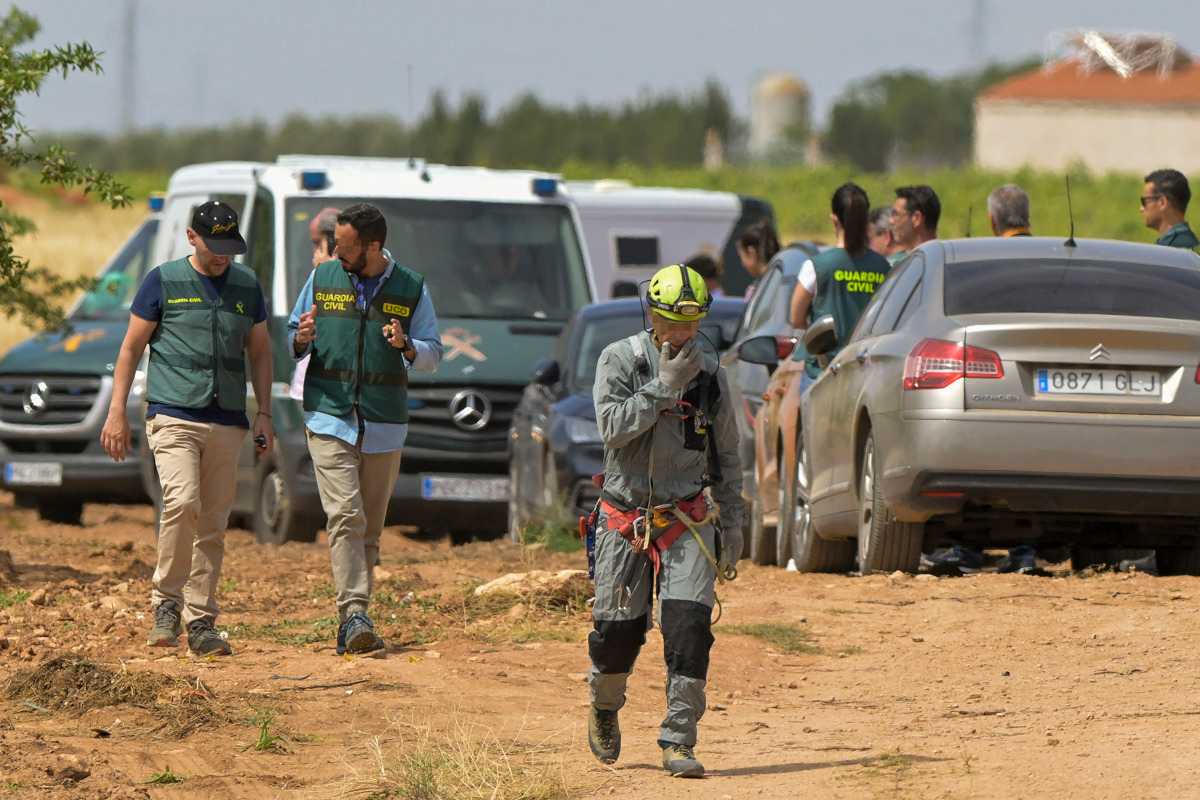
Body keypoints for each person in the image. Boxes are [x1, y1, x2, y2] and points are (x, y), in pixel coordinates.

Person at [587, 264, 743, 778]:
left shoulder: (712, 377)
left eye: (693, 323)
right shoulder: (619, 360)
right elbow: (612, 430)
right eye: (674, 323)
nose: (684, 334)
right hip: (625, 519)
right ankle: (606, 706)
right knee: (617, 633)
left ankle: (678, 739)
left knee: (689, 629)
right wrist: (664, 385)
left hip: (688, 519)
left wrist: (735, 524)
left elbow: (728, 456)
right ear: (652, 316)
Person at [100, 201, 274, 657]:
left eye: (229, 248)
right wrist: (117, 410)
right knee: (182, 502)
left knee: (214, 522)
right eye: (214, 247)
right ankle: (166, 604)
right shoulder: (163, 280)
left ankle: (201, 620)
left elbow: (260, 352)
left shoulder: (246, 286)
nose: (223, 257)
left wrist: (265, 413)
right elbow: (130, 349)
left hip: (227, 420)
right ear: (192, 238)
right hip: (174, 413)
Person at [289, 203, 443, 655]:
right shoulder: (322, 279)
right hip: (328, 415)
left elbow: (434, 354)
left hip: (382, 421)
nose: (337, 252)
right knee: (345, 516)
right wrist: (301, 337)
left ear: (373, 246)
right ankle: (353, 610)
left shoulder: (411, 287)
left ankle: (357, 615)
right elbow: (290, 335)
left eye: (346, 246)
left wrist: (407, 346)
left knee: (369, 530)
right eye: (335, 243)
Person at [923, 185, 1042, 577]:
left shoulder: (986, 259)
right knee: (1029, 467)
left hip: (992, 374)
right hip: (1041, 378)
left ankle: (967, 549)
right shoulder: (1050, 257)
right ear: (1027, 217)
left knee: (977, 466)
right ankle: (1025, 551)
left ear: (993, 221)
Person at [789, 183, 891, 393]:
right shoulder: (884, 267)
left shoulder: (816, 267)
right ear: (866, 222)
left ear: (834, 219)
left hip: (824, 372)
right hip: (868, 371)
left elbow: (796, 318)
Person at [289, 207, 341, 401]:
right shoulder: (318, 277)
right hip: (310, 394)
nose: (314, 254)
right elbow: (295, 330)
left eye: (317, 244)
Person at [1140, 168, 1199, 249]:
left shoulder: (1174, 248)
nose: (1141, 208)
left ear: (1162, 202)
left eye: (1144, 201)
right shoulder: (1186, 242)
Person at [889, 185, 940, 263]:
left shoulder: (946, 262)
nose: (891, 221)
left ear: (916, 218)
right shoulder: (892, 265)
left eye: (896, 214)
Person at [735, 219, 780, 300]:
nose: (743, 264)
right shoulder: (785, 282)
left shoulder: (755, 292)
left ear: (752, 252)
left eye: (743, 256)